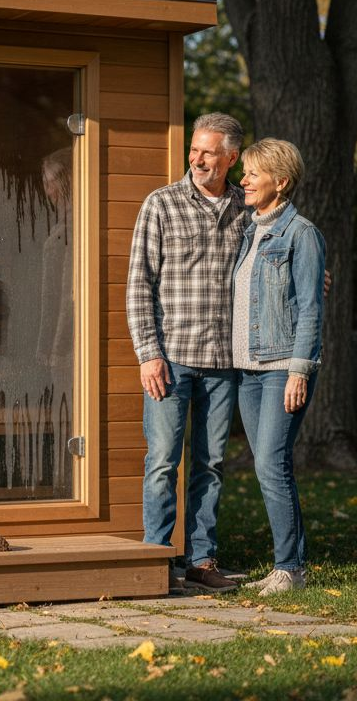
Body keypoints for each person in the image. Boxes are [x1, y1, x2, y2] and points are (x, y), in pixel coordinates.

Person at [126, 113, 249, 592]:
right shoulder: (161, 203)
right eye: (194, 150)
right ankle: (158, 563)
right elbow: (140, 284)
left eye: (208, 152)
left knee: (211, 465)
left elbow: (276, 255)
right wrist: (148, 353)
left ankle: (201, 561)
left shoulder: (247, 207)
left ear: (231, 158)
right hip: (171, 358)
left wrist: (311, 275)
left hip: (225, 360)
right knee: (162, 462)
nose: (197, 159)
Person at [231, 137, 325, 596]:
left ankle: (290, 568)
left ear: (281, 182)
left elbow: (310, 308)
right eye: (245, 172)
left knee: (271, 463)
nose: (243, 180)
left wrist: (299, 371)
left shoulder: (301, 234)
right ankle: (286, 566)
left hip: (282, 365)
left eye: (252, 173)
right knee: (267, 464)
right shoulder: (249, 231)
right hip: (247, 369)